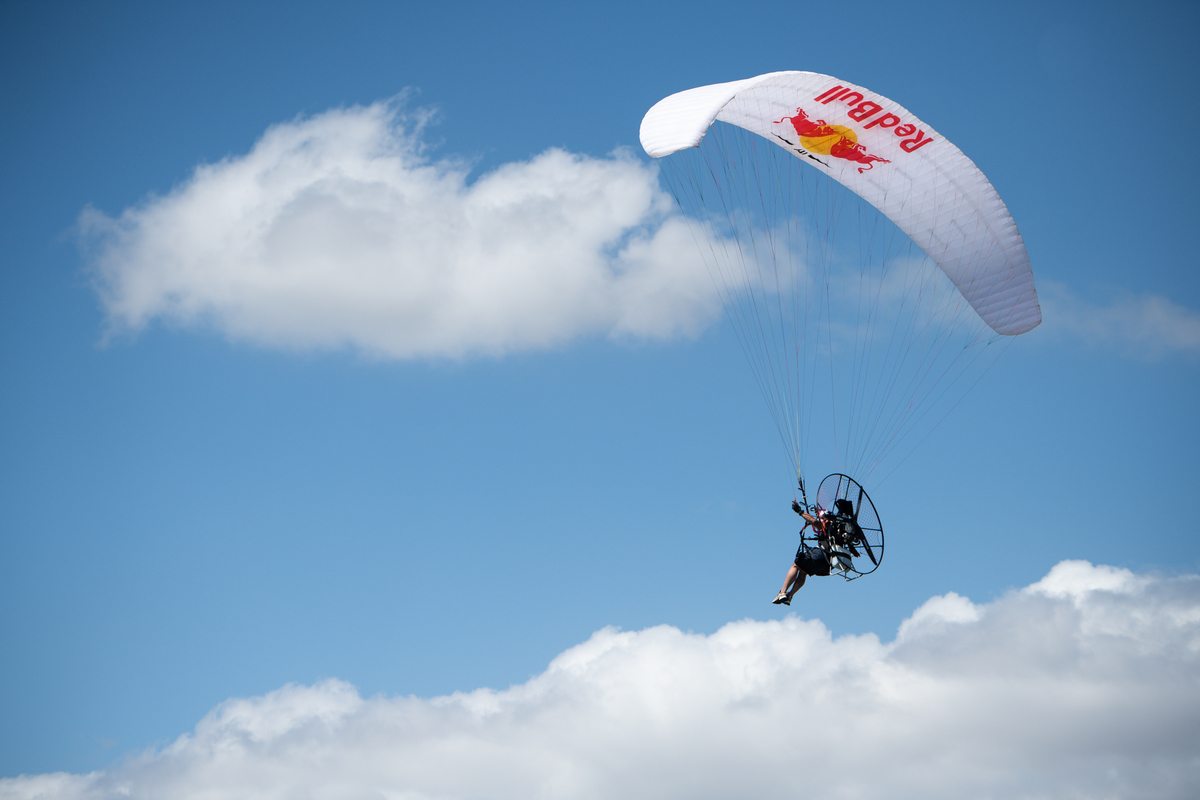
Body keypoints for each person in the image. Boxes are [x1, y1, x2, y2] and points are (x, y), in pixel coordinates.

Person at [772, 500, 832, 605]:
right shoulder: (840, 530)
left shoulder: (826, 525)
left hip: (820, 555)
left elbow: (813, 521)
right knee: (803, 571)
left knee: (796, 565)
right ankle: (790, 596)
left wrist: (800, 512)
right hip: (828, 565)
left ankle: (783, 592)